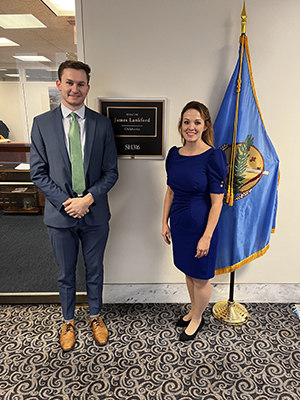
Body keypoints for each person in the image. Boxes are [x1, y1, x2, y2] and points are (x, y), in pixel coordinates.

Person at [30, 60, 118, 351]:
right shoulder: (42, 124)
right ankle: (68, 320)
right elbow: (38, 172)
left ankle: (95, 316)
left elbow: (111, 172)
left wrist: (88, 199)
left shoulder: (102, 124)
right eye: (69, 82)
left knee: (95, 269)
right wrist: (68, 202)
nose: (74, 89)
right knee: (66, 272)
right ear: (59, 85)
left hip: (95, 213)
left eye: (81, 84)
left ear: (88, 88)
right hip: (60, 214)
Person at [162, 101, 227, 342]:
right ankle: (193, 310)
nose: (191, 127)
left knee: (200, 276)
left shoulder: (213, 156)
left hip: (202, 225)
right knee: (188, 272)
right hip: (179, 224)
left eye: (197, 122)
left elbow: (217, 202)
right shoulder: (174, 155)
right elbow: (170, 191)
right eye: (187, 121)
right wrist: (163, 222)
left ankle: (198, 318)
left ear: (205, 126)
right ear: (181, 125)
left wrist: (207, 236)